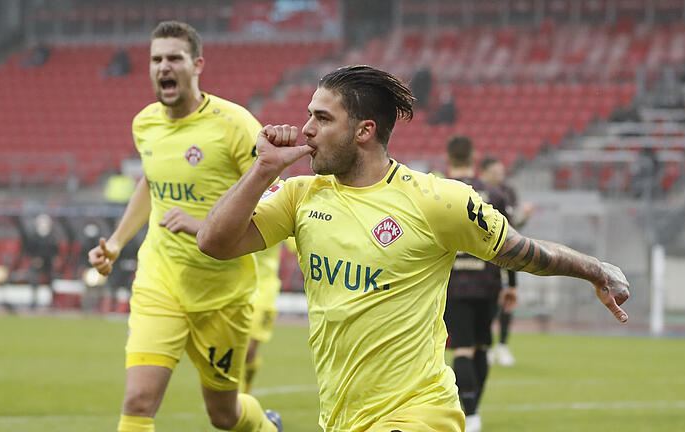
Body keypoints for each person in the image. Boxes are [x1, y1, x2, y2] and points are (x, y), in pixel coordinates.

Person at [193, 65, 630, 432]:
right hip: (343, 416)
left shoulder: (438, 200)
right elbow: (213, 242)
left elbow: (521, 250)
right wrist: (262, 168)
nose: (305, 129)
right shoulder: (300, 196)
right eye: (309, 115)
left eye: (322, 119)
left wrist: (597, 269)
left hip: (420, 413)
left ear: (364, 131)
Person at [87, 21, 281, 432]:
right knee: (138, 401)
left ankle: (267, 427)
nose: (163, 67)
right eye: (156, 59)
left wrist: (204, 226)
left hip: (222, 294)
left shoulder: (234, 123)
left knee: (224, 416)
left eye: (173, 58)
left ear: (197, 65)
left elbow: (271, 195)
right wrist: (118, 242)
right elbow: (151, 181)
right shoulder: (145, 124)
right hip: (161, 283)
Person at [442, 138, 508, 431]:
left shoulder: (437, 191)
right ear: (475, 156)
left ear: (448, 158)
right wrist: (512, 284)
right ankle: (475, 411)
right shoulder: (493, 193)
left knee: (463, 349)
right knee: (481, 347)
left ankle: (469, 414)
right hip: (488, 282)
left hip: (454, 283)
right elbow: (510, 242)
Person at [479, 156, 535, 368]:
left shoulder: (507, 193)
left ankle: (501, 345)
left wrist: (525, 216)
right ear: (484, 171)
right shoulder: (474, 191)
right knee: (486, 301)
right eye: (496, 171)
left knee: (506, 298)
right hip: (480, 254)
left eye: (501, 171)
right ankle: (485, 343)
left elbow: (513, 224)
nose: (500, 175)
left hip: (505, 253)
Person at [240, 242, 283, 393]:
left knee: (249, 349)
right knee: (232, 346)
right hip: (238, 288)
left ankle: (244, 391)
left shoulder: (277, 218)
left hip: (265, 291)